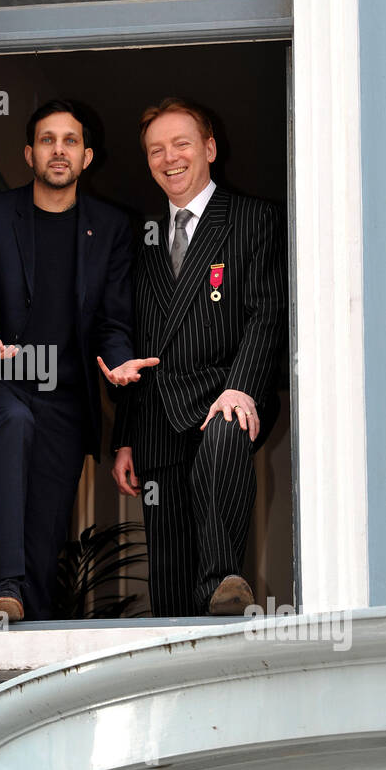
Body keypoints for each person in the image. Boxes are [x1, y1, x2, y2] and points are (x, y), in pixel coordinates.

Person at [0, 100, 158, 623]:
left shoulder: (113, 226)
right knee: (14, 421)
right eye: (48, 140)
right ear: (29, 153)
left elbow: (113, 323)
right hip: (3, 374)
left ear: (87, 156)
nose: (59, 149)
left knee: (47, 532)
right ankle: (3, 587)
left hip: (68, 397)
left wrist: (119, 365)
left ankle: (24, 621)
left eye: (70, 140)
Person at [112, 97, 287, 616]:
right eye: (156, 150)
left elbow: (266, 312)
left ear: (209, 148)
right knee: (167, 581)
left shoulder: (253, 218)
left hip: (223, 394)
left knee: (225, 436)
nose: (170, 158)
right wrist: (123, 437)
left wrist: (243, 388)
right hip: (157, 417)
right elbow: (136, 341)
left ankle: (225, 580)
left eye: (181, 144)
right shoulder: (141, 238)